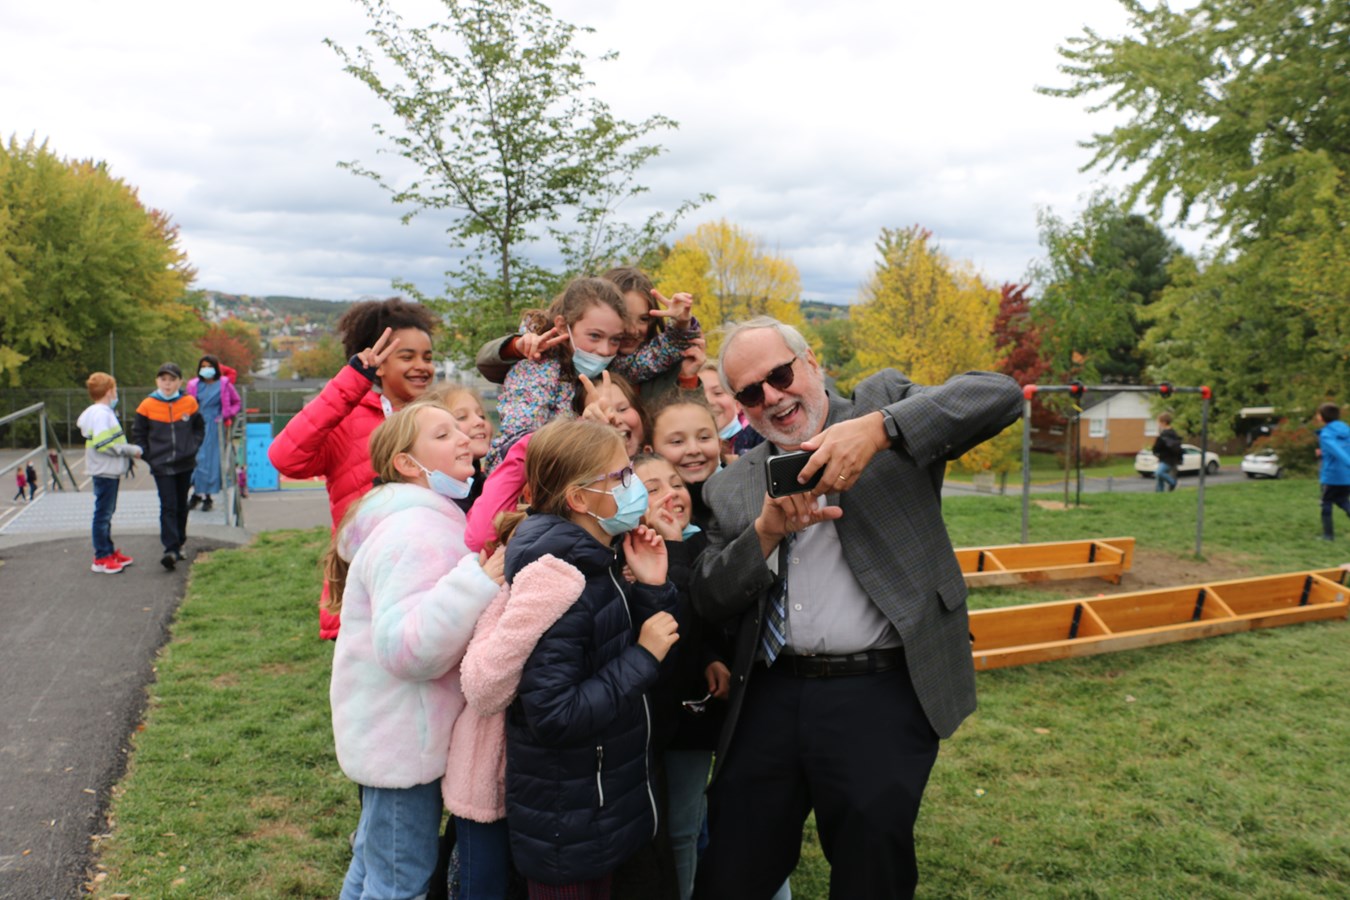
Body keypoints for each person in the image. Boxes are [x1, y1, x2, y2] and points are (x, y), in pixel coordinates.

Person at [690, 317, 1021, 899]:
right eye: (751, 392)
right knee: (733, 867)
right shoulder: (731, 485)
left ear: (811, 362)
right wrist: (764, 536)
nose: (773, 397)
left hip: (880, 690)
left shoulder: (882, 405)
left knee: (872, 870)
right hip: (770, 693)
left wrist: (882, 430)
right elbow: (710, 596)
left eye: (781, 375)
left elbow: (1000, 396)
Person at [490, 418, 679, 898]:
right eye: (621, 477)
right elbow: (554, 714)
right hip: (569, 829)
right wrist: (643, 656)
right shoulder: (561, 583)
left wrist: (652, 589)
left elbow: (610, 648)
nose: (635, 485)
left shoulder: (598, 560)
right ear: (579, 499)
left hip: (600, 808)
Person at [325, 401, 504, 900]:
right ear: (407, 463)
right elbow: (407, 649)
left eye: (460, 428)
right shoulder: (416, 531)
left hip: (395, 734)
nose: (464, 438)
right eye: (443, 435)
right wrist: (478, 581)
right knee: (399, 882)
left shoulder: (421, 520)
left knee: (373, 865)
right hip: (404, 743)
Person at [268, 297, 440, 639]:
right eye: (407, 357)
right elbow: (286, 457)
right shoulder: (346, 418)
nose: (422, 366)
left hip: (428, 582)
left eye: (428, 357)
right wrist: (352, 381)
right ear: (377, 364)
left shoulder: (440, 420)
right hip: (364, 590)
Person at [633, 453, 729, 900]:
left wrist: (710, 656)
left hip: (689, 721)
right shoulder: (627, 554)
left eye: (676, 483)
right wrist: (669, 548)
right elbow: (667, 628)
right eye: (652, 488)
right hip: (645, 720)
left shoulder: (702, 543)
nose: (671, 494)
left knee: (683, 829)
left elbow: (700, 622)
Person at [131, 363, 205, 571]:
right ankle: (170, 549)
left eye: (172, 380)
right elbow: (138, 433)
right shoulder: (147, 405)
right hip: (161, 465)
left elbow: (199, 428)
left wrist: (192, 447)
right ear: (157, 381)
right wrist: (150, 456)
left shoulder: (189, 402)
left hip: (185, 463)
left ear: (180, 382)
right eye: (163, 379)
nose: (167, 384)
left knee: (182, 504)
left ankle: (180, 542)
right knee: (168, 505)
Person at [76, 372, 143, 574]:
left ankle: (107, 550)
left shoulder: (98, 412)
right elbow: (104, 443)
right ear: (108, 391)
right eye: (114, 389)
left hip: (105, 470)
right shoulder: (102, 414)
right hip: (105, 470)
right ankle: (101, 557)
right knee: (103, 514)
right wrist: (130, 450)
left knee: (106, 512)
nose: (116, 393)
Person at [185, 354, 242, 513]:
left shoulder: (224, 384)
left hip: (215, 427)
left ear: (216, 368)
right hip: (196, 425)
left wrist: (226, 415)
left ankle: (207, 496)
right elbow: (187, 404)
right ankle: (197, 493)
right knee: (196, 460)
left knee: (210, 461)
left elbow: (237, 402)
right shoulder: (194, 385)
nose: (206, 369)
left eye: (209, 366)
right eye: (203, 366)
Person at [698, 361, 763, 463]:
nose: (708, 401)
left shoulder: (759, 435)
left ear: (738, 403)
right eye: (699, 395)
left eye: (718, 393)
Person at [1314, 402, 1350, 541]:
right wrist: (1324, 453)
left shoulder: (1326, 434)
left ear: (1322, 417)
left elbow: (1338, 451)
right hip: (1347, 475)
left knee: (1326, 502)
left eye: (1318, 414)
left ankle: (1328, 536)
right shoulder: (1346, 429)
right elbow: (1342, 448)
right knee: (1341, 500)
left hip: (1332, 476)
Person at [1152, 412, 1184, 493]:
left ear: (1164, 422)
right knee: (1160, 478)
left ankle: (1174, 483)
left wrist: (1157, 441)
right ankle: (1159, 494)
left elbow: (1157, 448)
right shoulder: (1173, 433)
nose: (1158, 424)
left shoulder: (1164, 435)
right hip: (1171, 459)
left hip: (1167, 459)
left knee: (1159, 473)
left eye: (1159, 422)